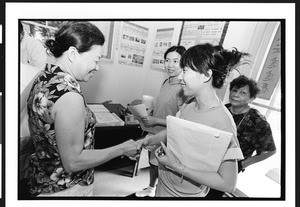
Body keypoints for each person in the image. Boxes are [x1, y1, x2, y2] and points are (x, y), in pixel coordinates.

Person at [25, 21, 139, 197]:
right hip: (65, 189)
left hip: (41, 179)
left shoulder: (43, 76)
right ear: (72, 53)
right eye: (95, 60)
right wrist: (122, 149)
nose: (97, 67)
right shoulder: (70, 97)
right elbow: (73, 161)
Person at [137, 43, 249, 197]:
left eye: (185, 71)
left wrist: (177, 167)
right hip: (163, 186)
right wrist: (148, 141)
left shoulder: (223, 124)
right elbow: (172, 132)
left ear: (206, 75)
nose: (181, 77)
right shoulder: (189, 106)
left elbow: (228, 184)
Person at [135, 46, 187, 197]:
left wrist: (155, 120)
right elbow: (163, 105)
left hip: (168, 137)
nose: (170, 65)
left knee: (162, 168)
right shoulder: (166, 81)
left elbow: (180, 122)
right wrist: (150, 112)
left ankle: (158, 193)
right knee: (153, 163)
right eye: (167, 60)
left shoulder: (183, 88)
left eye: (176, 61)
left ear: (184, 63)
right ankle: (151, 189)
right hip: (156, 132)